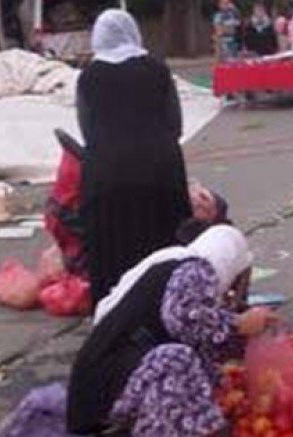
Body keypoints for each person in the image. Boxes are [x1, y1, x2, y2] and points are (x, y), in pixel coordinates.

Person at [66, 225, 273, 436]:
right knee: (177, 360)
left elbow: (194, 334)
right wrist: (238, 324)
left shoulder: (177, 264)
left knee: (198, 373)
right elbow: (185, 320)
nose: (231, 292)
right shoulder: (195, 269)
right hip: (106, 385)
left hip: (108, 382)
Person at [78, 10, 192, 307]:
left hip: (106, 174)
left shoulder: (89, 77)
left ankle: (114, 315)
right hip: (159, 170)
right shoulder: (156, 69)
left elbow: (87, 129)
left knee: (112, 246)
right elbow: (175, 123)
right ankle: (169, 310)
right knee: (162, 244)